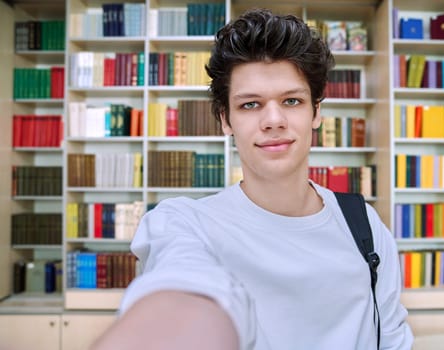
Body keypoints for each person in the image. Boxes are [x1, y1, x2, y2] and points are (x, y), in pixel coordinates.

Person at [92, 8, 413, 350]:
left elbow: (392, 337)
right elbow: (182, 288)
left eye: (292, 101)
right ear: (225, 120)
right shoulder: (185, 223)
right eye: (250, 105)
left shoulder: (364, 224)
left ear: (316, 112)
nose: (273, 120)